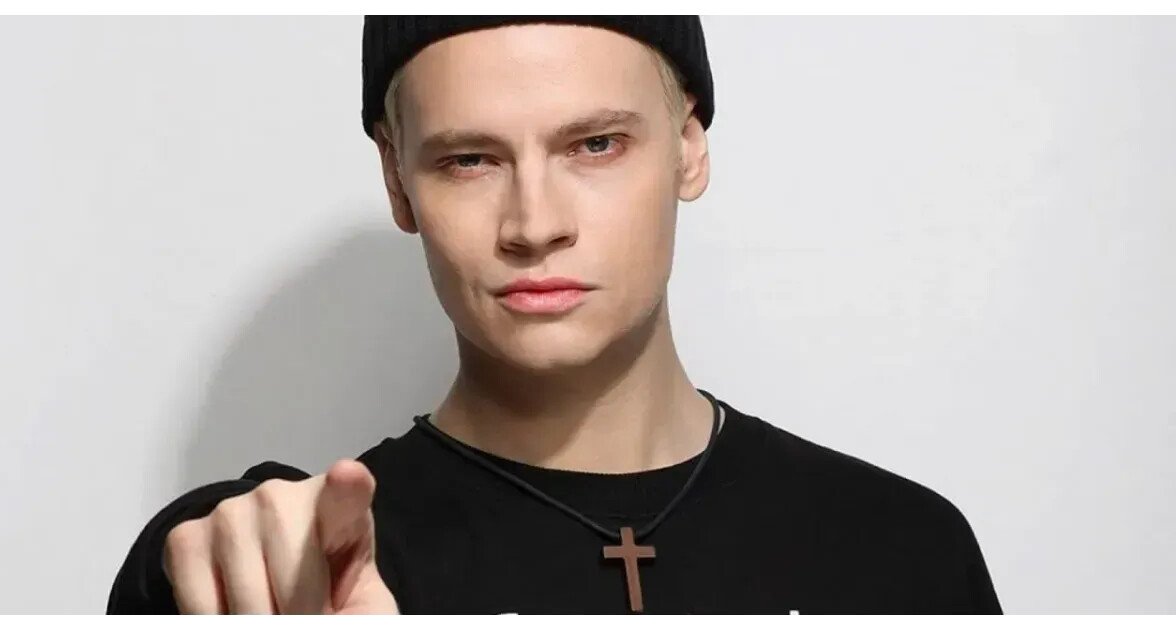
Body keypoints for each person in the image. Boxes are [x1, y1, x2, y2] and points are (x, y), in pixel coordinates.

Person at [106, 16, 1002, 615]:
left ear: (688, 146)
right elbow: (210, 565)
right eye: (469, 160)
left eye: (595, 144)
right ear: (396, 179)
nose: (534, 225)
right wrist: (202, 581)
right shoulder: (305, 569)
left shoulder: (902, 549)